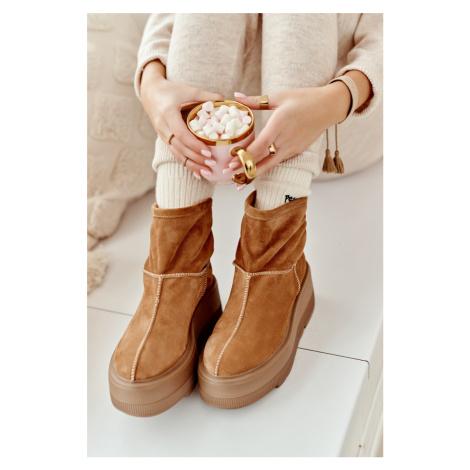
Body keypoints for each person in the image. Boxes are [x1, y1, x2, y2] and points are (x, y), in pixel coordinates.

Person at [108, 13, 383, 416]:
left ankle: (275, 264)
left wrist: (336, 98)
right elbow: (169, 17)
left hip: (334, 117)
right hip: (224, 126)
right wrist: (153, 87)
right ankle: (176, 269)